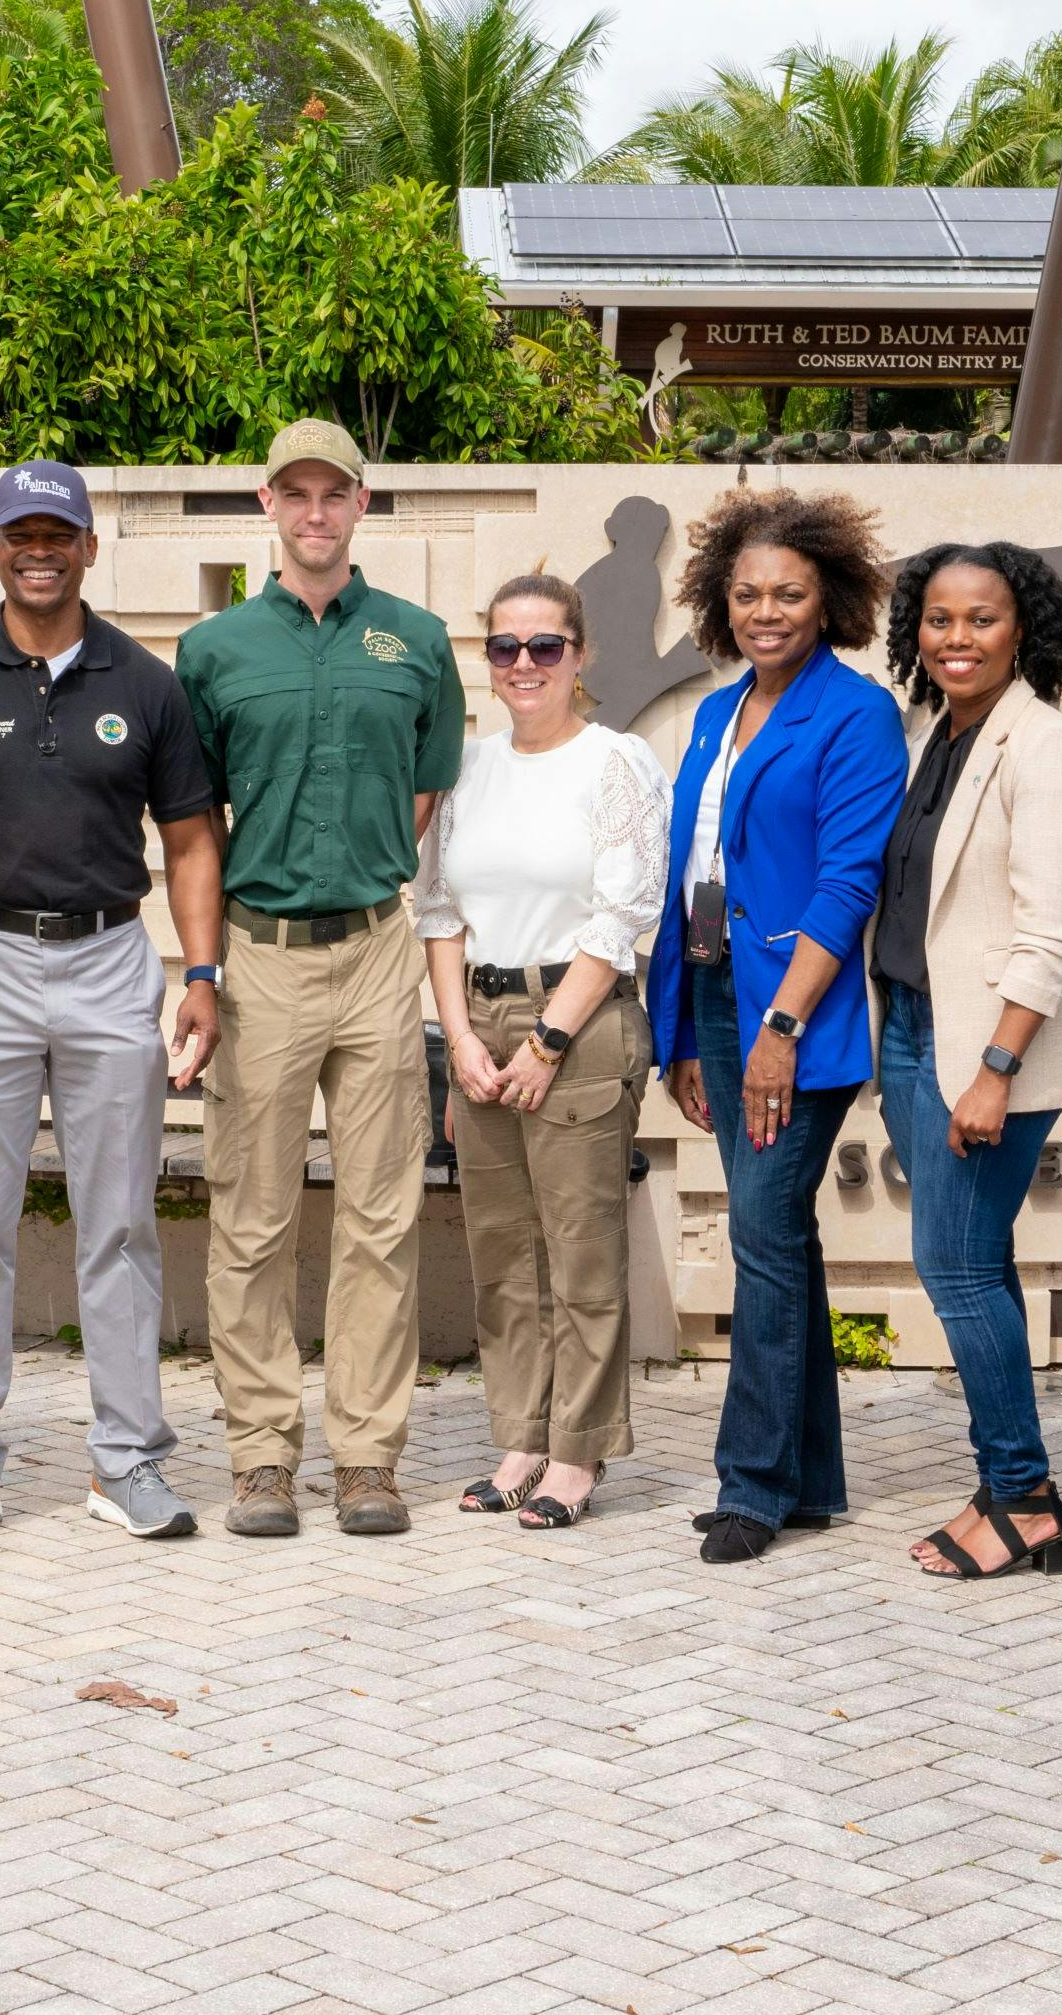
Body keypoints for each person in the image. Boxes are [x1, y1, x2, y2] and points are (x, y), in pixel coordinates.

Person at [0, 460, 227, 1549]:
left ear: (86, 547)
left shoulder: (144, 681)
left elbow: (187, 839)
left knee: (119, 1220)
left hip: (110, 961)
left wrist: (203, 974)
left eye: (59, 533)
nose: (41, 550)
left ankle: (125, 1460)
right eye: (20, 533)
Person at [173, 419, 467, 1540]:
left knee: (380, 1217)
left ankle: (365, 1458)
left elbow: (425, 793)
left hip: (379, 949)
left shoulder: (416, 640)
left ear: (360, 503)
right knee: (250, 1218)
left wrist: (365, 871)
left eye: (331, 493)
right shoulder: (214, 652)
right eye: (293, 493)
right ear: (266, 504)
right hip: (259, 956)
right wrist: (202, 966)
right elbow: (193, 822)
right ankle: (259, 1458)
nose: (313, 512)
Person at [649, 489, 906, 1566]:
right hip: (711, 991)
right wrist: (677, 1027)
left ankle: (751, 1484)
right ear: (720, 599)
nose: (767, 611)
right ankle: (809, 1481)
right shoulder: (717, 711)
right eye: (747, 593)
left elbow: (847, 885)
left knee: (760, 1233)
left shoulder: (854, 714)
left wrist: (781, 1024)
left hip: (792, 1012)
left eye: (789, 593)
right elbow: (691, 872)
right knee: (780, 1237)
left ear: (828, 598)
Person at [872, 542, 1062, 1580]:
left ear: (1026, 630)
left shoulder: (1048, 748)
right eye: (937, 619)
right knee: (974, 1262)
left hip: (982, 1051)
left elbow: (1052, 931)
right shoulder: (939, 736)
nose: (956, 637)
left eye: (981, 619)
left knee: (956, 1267)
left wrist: (996, 1067)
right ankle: (1004, 1484)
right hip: (915, 1031)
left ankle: (1023, 1497)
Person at [415, 572, 667, 1529]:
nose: (524, 665)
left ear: (580, 654)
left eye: (545, 646)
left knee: (580, 1253)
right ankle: (520, 1435)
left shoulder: (616, 764)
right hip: (479, 1025)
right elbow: (436, 908)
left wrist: (550, 1039)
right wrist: (460, 1040)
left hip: (580, 1022)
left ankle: (578, 1452)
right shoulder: (469, 768)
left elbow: (623, 911)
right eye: (505, 647)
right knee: (502, 1255)